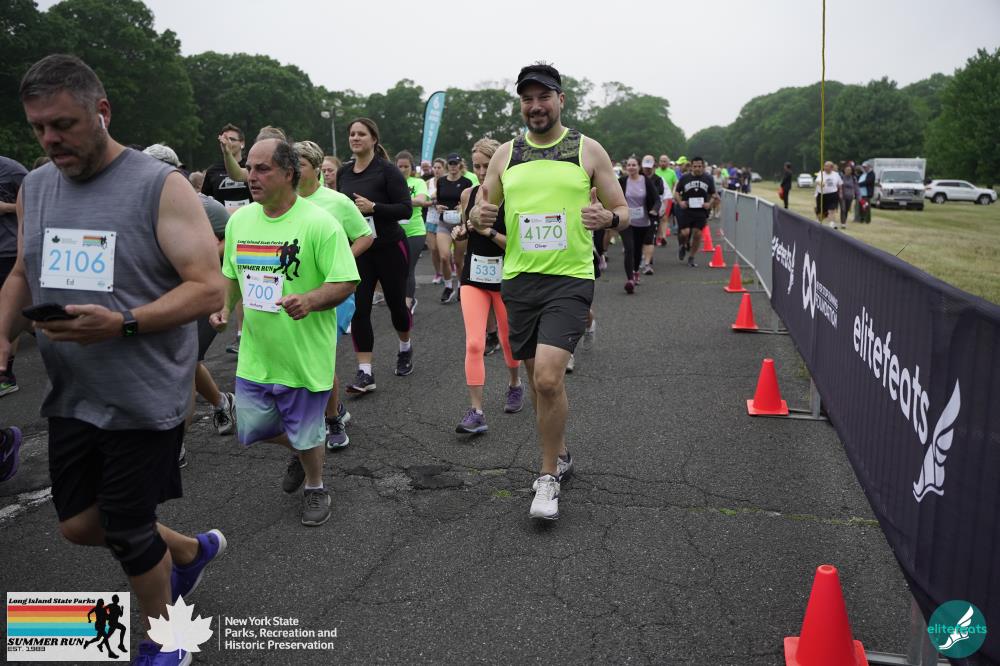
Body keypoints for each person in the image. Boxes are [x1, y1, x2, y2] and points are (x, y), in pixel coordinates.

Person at [3, 54, 227, 666]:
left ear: (101, 112)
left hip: (144, 392)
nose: (50, 140)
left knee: (128, 528)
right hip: (73, 391)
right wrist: (2, 338)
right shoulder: (35, 187)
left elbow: (209, 289)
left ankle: (167, 641)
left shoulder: (159, 185)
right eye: (39, 128)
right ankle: (189, 552)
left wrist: (123, 322)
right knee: (78, 524)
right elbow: (22, 272)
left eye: (64, 124)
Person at [471, 63, 628, 520]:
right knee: (541, 380)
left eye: (544, 97)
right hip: (520, 279)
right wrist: (478, 216)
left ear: (561, 99)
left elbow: (623, 210)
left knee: (545, 378)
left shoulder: (587, 150)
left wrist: (607, 219)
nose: (536, 106)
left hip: (570, 279)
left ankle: (546, 478)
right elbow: (481, 207)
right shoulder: (505, 154)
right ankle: (560, 453)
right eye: (528, 99)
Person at [211, 138, 359, 527]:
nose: (251, 176)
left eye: (262, 169)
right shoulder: (241, 220)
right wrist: (224, 307)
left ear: (288, 173)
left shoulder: (319, 223)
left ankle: (315, 486)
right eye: (249, 168)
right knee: (252, 427)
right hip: (258, 352)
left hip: (303, 352)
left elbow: (346, 281)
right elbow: (232, 274)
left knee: (307, 433)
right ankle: (303, 448)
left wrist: (310, 299)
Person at [144, 143, 236, 451]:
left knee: (183, 365)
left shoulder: (203, 205)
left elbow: (233, 238)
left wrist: (200, 254)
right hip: (166, 296)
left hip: (206, 294)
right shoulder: (142, 206)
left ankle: (175, 447)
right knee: (184, 363)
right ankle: (221, 401)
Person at [294, 140, 374, 450]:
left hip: (334, 291)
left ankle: (332, 420)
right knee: (303, 357)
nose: (293, 170)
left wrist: (341, 262)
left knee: (320, 356)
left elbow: (365, 236)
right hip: (297, 291)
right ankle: (335, 408)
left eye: (300, 164)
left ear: (316, 169)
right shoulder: (284, 201)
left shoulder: (337, 202)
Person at [451, 138, 523, 434]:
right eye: (477, 166)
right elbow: (466, 231)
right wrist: (460, 233)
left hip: (506, 278)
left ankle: (515, 384)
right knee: (474, 343)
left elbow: (518, 245)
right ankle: (476, 411)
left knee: (507, 340)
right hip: (474, 278)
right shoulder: (468, 194)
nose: (481, 172)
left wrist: (487, 231)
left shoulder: (514, 196)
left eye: (486, 166)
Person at [337, 118, 414, 392]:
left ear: (373, 139)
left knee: (396, 306)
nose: (355, 138)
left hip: (390, 247)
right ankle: (365, 372)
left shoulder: (387, 171)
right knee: (360, 308)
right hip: (361, 250)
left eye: (361, 134)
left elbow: (405, 209)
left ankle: (405, 346)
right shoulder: (344, 173)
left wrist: (375, 207)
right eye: (352, 134)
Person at [0, 155, 28, 396]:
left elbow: (35, 202)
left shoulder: (12, 169)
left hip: (8, 251)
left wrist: (6, 207)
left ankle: (5, 375)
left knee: (8, 312)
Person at [435, 152, 473, 304]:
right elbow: (438, 201)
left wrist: (462, 207)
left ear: (460, 165)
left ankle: (462, 287)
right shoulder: (441, 181)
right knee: (444, 257)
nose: (453, 166)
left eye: (455, 164)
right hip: (444, 223)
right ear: (447, 165)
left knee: (458, 260)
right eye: (450, 164)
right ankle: (448, 286)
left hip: (460, 224)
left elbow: (470, 203)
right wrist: (438, 207)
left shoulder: (466, 182)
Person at [619, 157, 661, 293]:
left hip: (643, 222)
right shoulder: (622, 181)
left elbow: (657, 199)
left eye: (634, 165)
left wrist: (654, 209)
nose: (631, 167)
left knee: (637, 250)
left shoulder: (645, 181)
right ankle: (630, 279)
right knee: (629, 248)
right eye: (629, 165)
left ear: (639, 167)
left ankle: (636, 270)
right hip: (626, 221)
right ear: (626, 167)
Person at [395, 151, 428, 314]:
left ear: (412, 167)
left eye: (406, 166)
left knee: (408, 267)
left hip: (415, 231)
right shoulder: (391, 182)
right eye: (400, 166)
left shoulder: (418, 182)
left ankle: (407, 303)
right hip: (394, 231)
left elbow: (421, 200)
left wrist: (401, 201)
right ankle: (402, 299)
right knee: (397, 269)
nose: (402, 170)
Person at [674, 156, 718, 267]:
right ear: (691, 167)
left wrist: (709, 203)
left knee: (697, 233)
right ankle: (682, 245)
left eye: (699, 166)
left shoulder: (708, 178)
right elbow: (677, 193)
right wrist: (680, 202)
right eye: (695, 166)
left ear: (703, 167)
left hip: (701, 211)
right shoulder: (685, 178)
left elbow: (714, 194)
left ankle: (691, 257)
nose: (697, 168)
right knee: (685, 232)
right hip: (687, 209)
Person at [201, 123, 252, 212]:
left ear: (242, 143)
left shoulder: (251, 167)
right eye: (225, 140)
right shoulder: (213, 171)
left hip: (251, 217)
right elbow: (205, 202)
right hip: (223, 219)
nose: (228, 143)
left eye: (232, 139)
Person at [425, 158, 445, 285]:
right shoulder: (428, 183)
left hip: (444, 220)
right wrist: (433, 200)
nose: (437, 170)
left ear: (444, 169)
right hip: (431, 219)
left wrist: (434, 198)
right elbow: (424, 199)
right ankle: (438, 273)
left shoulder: (447, 182)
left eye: (439, 167)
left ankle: (445, 271)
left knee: (442, 251)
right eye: (435, 167)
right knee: (433, 249)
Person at [818, 161, 843, 228]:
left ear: (831, 168)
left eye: (827, 166)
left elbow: (840, 184)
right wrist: (821, 183)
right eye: (825, 166)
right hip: (823, 194)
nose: (825, 167)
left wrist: (840, 193)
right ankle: (820, 221)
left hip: (833, 194)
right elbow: (817, 181)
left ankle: (832, 223)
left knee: (832, 209)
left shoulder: (836, 174)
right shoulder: (821, 173)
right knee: (823, 210)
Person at [840, 164, 858, 230]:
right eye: (847, 170)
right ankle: (843, 223)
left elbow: (856, 187)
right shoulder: (841, 177)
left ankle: (844, 221)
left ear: (851, 171)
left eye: (849, 170)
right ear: (844, 170)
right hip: (842, 196)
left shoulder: (853, 178)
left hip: (850, 196)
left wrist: (857, 194)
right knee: (843, 209)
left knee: (847, 210)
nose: (848, 171)